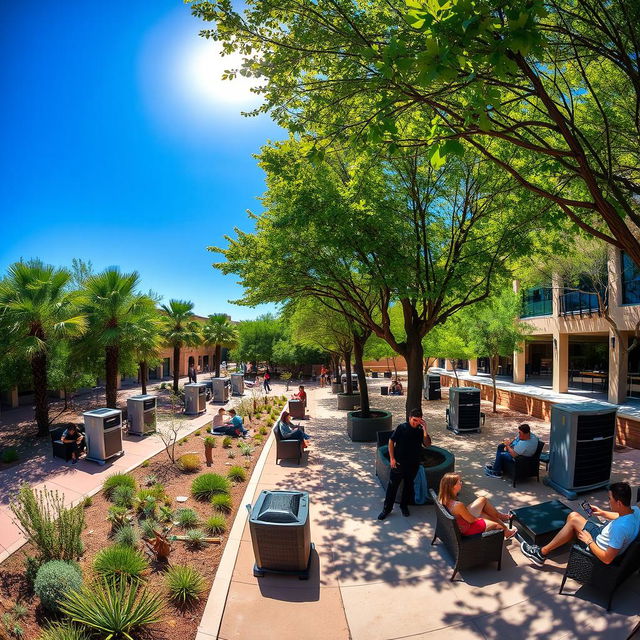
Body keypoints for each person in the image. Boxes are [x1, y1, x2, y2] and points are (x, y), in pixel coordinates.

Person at [521, 482, 640, 566]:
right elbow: (620, 516)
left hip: (597, 544)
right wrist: (602, 513)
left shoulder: (620, 528)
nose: (608, 501)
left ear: (618, 503)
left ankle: (541, 553)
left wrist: (589, 541)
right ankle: (563, 539)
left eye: (610, 499)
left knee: (573, 519)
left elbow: (607, 559)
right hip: (603, 533)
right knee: (573, 517)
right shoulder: (635, 510)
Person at [378, 408, 431, 520]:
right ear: (409, 418)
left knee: (408, 486)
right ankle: (386, 509)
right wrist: (392, 458)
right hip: (399, 463)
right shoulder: (402, 428)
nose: (416, 423)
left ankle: (404, 506)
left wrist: (425, 429)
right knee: (392, 487)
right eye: (414, 420)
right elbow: (391, 441)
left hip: (413, 465)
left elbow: (427, 444)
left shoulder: (420, 430)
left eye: (419, 421)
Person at [438, 472, 517, 538]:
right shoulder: (458, 505)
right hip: (466, 528)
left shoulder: (442, 498)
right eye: (459, 482)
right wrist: (483, 517)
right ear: (453, 486)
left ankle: (500, 516)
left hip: (460, 518)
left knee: (483, 500)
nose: (461, 483)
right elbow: (472, 520)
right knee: (495, 524)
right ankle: (505, 531)